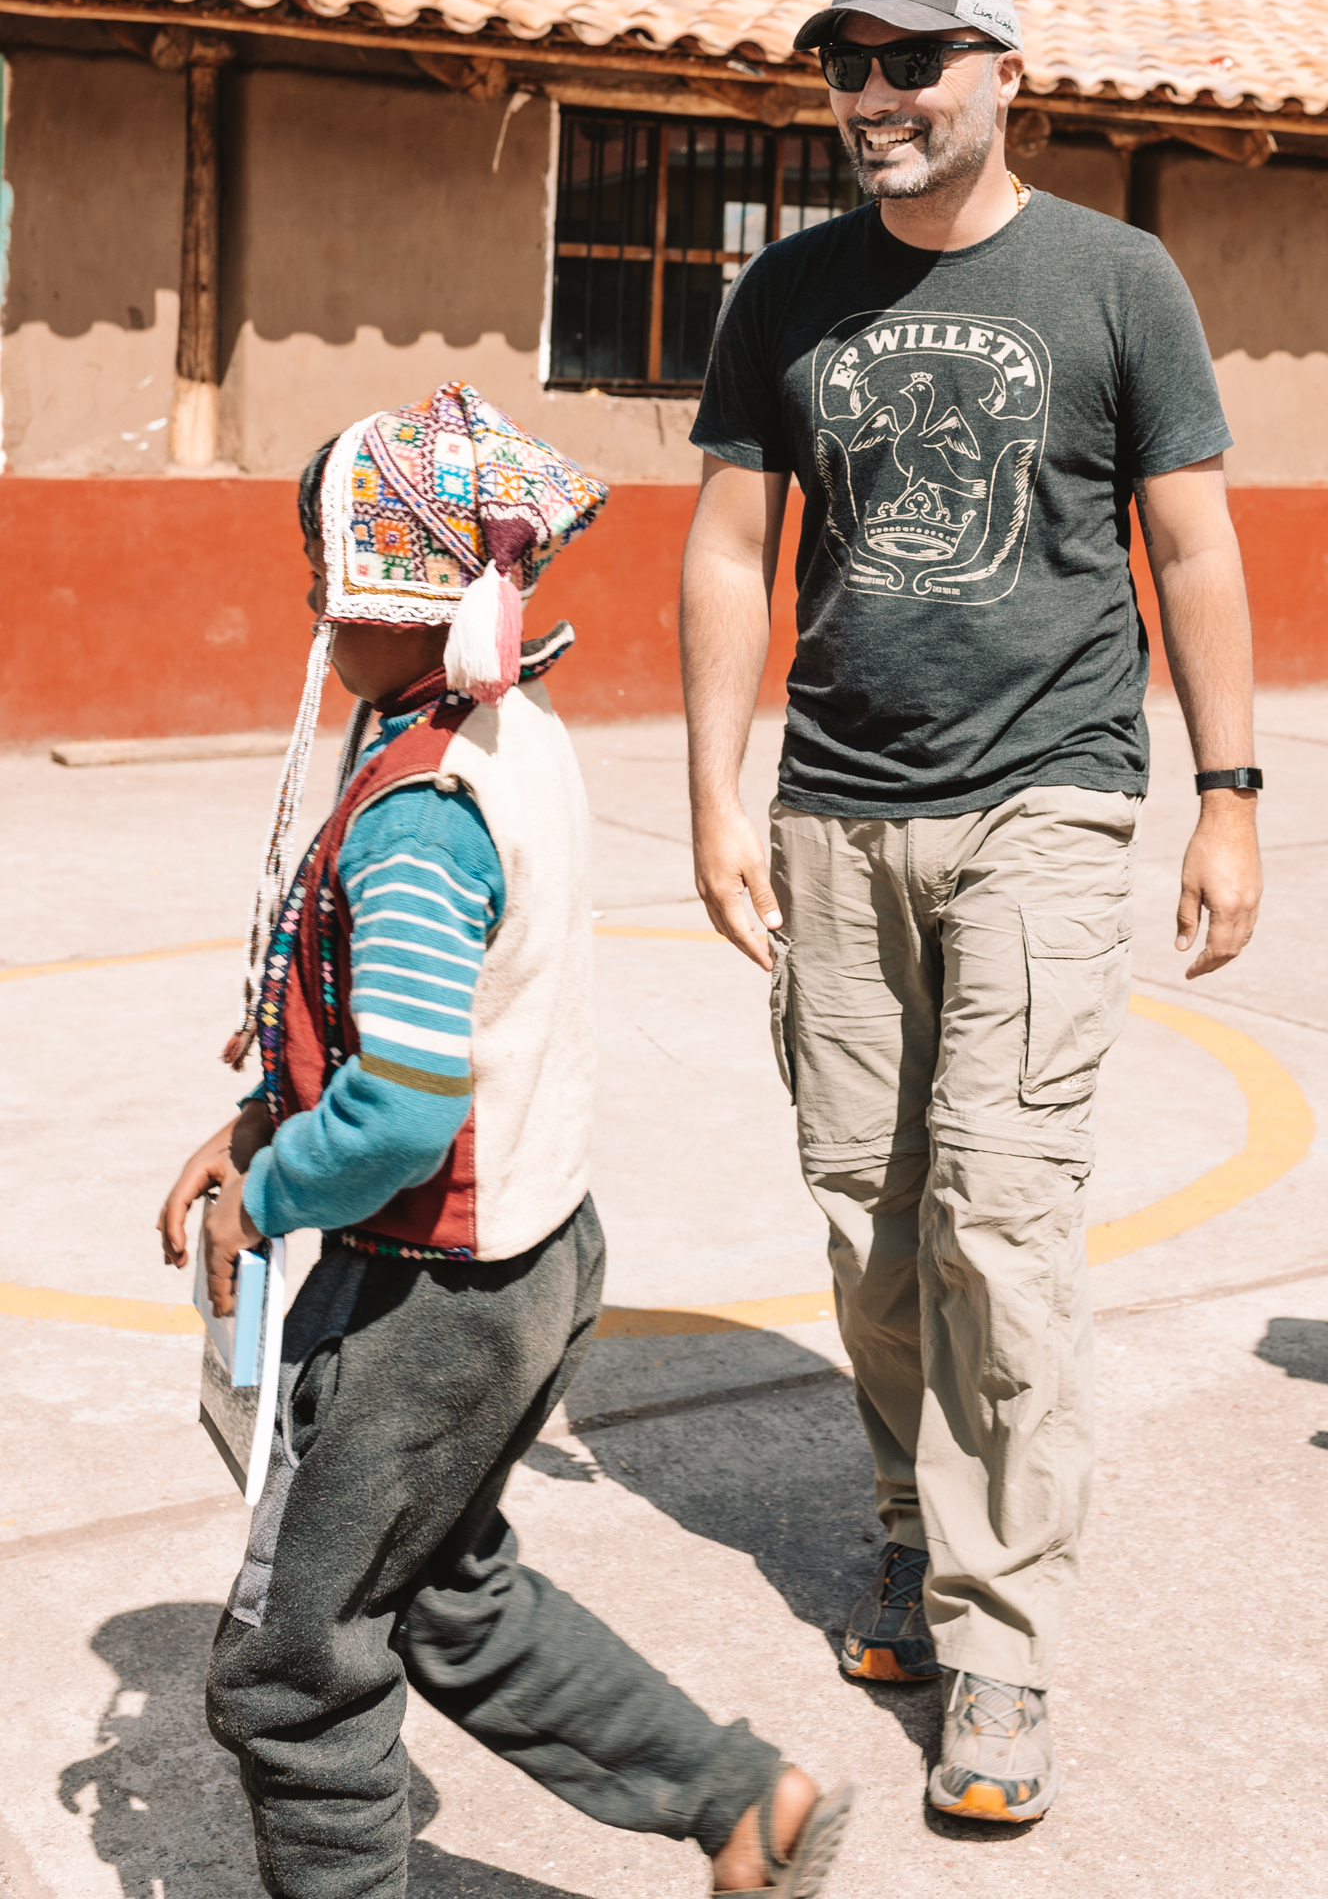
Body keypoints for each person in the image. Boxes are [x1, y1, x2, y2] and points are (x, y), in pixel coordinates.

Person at [680, 0, 1263, 1824]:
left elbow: (1189, 545)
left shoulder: (1116, 279)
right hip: (836, 808)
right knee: (866, 1212)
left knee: (997, 1217)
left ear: (1004, 69)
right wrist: (711, 790)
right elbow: (727, 544)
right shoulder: (788, 292)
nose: (874, 98)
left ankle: (1002, 1639)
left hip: (1049, 800)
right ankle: (908, 1531)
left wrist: (1230, 791)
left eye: (913, 61)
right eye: (847, 67)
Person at [157, 384, 853, 1899]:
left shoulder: (420, 814)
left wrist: (267, 1193)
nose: (311, 612)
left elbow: (407, 1106)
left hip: (431, 1302)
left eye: (327, 583)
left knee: (294, 1673)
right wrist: (259, 1115)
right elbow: (402, 1030)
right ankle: (747, 1807)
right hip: (535, 1255)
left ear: (397, 598)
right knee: (446, 1595)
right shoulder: (491, 726)